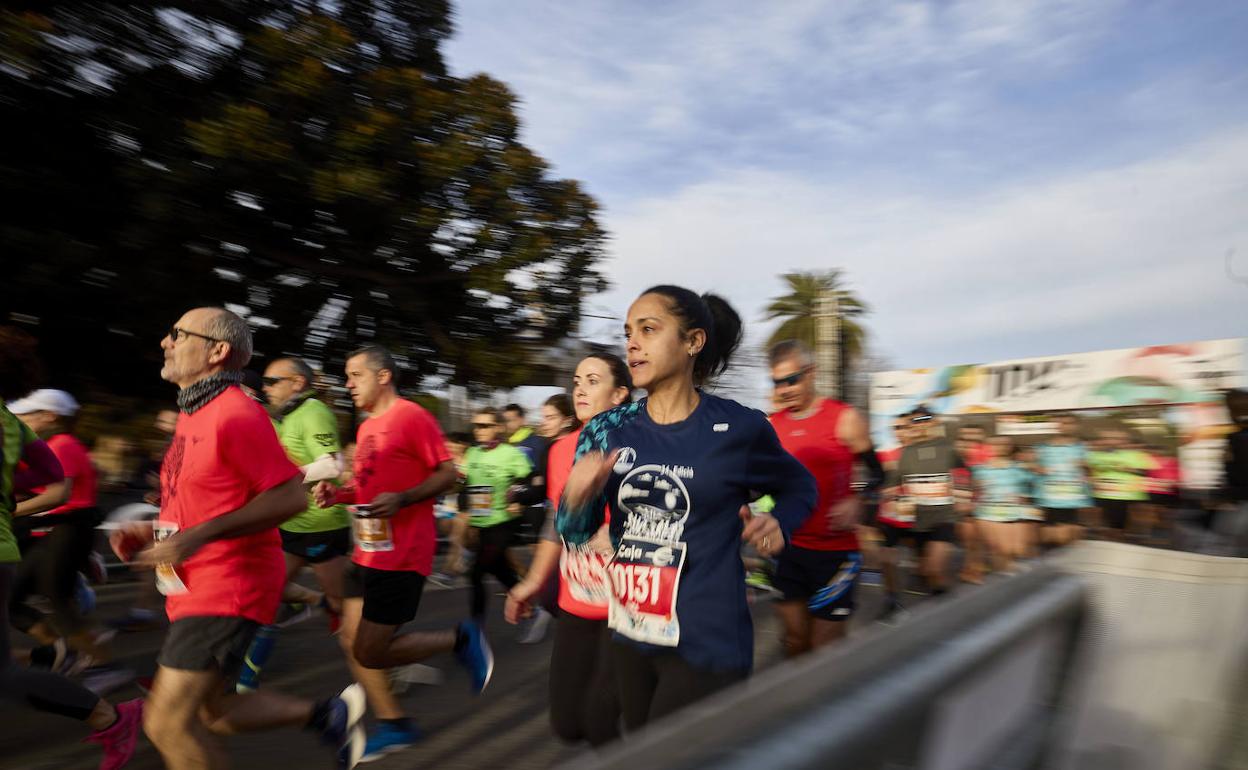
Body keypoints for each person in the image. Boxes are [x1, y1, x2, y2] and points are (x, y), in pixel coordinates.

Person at [109, 308, 367, 769]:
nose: (165, 343)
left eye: (176, 333)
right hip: (189, 584)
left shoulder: (236, 413)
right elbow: (208, 497)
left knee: (166, 723)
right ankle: (327, 714)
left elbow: (290, 498)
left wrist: (197, 537)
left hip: (226, 584)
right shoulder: (194, 413)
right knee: (216, 712)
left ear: (217, 351)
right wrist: (153, 530)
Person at [559, 285, 817, 730]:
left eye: (649, 329)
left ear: (693, 341)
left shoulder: (739, 427)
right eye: (628, 332)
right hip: (632, 633)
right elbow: (576, 534)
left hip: (707, 639)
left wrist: (781, 520)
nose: (632, 343)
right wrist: (576, 499)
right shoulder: (606, 430)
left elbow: (800, 486)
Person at [312, 345, 493, 762]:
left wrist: (405, 498)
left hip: (403, 555)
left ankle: (460, 639)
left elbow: (449, 473)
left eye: (355, 375)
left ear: (383, 377)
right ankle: (394, 724)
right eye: (346, 375)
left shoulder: (411, 416)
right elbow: (370, 489)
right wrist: (338, 494)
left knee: (370, 651)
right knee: (349, 639)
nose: (348, 383)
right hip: (367, 551)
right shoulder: (366, 428)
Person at [0, 326, 142, 770]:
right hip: (12, 545)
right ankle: (63, 665)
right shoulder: (12, 425)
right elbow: (53, 484)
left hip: (47, 536)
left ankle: (108, 714)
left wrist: (13, 507)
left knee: (3, 673)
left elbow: (59, 490)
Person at [505, 353, 632, 746]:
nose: (579, 387)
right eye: (577, 380)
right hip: (577, 599)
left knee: (599, 718)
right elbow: (554, 526)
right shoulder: (562, 450)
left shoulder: (640, 445)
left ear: (619, 394)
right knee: (567, 723)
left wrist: (617, 532)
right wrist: (530, 582)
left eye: (593, 380)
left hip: (628, 604)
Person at [235, 357, 350, 693]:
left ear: (297, 382)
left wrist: (285, 477)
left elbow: (332, 465)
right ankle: (245, 680)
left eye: (272, 381)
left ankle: (383, 660)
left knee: (343, 603)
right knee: (266, 594)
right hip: (290, 524)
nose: (265, 388)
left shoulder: (313, 411)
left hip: (321, 523)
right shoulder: (283, 417)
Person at [9, 389, 130, 693]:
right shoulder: (46, 446)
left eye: (27, 415)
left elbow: (58, 494)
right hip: (49, 529)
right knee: (12, 601)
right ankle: (65, 651)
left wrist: (12, 510)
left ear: (50, 416)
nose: (20, 420)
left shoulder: (63, 445)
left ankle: (107, 667)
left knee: (57, 600)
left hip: (69, 530)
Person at [765, 340, 882, 655]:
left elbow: (877, 473)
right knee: (795, 641)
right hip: (787, 550)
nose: (785, 389)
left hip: (834, 553)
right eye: (777, 382)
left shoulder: (844, 418)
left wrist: (859, 499)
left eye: (793, 379)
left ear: (811, 373)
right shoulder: (771, 427)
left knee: (824, 649)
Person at [884, 406, 969, 598]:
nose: (921, 424)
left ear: (934, 421)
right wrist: (888, 495)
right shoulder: (907, 453)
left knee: (934, 569)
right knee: (927, 574)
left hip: (944, 518)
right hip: (918, 520)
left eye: (925, 419)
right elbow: (894, 483)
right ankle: (942, 598)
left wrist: (963, 503)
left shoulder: (948, 449)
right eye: (915, 421)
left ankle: (952, 607)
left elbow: (963, 475)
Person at [462, 407, 532, 620]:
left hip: (503, 523)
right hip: (480, 522)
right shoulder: (472, 452)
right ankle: (525, 601)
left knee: (476, 573)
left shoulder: (511, 453)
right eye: (476, 426)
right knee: (499, 568)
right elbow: (464, 483)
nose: (479, 430)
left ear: (499, 428)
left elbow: (530, 479)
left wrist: (517, 499)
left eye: (484, 426)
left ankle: (475, 627)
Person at [875, 413, 915, 620]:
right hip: (891, 516)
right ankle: (891, 599)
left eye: (903, 427)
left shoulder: (922, 453)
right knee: (887, 559)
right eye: (896, 428)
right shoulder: (886, 455)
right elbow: (873, 479)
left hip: (920, 517)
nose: (899, 432)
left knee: (929, 565)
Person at [971, 435, 1031, 574]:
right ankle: (1002, 576)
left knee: (1018, 549)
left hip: (1014, 513)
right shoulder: (979, 470)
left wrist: (1025, 497)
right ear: (988, 447)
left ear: (1010, 447)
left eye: (1004, 444)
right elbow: (970, 490)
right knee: (1002, 549)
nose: (1001, 447)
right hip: (988, 513)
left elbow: (1030, 487)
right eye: (996, 444)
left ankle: (1003, 570)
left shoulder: (1019, 468)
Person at [1035, 414, 1092, 550]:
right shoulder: (1043, 447)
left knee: (1069, 533)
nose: (1065, 426)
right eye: (1061, 423)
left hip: (1071, 496)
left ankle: (1067, 560)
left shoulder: (1082, 447)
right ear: (1056, 426)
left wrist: (1086, 466)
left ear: (1076, 426)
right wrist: (1038, 468)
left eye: (1069, 423)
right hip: (1049, 496)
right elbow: (1032, 467)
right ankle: (1048, 561)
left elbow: (1090, 472)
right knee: (1049, 533)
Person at [1087, 428, 1156, 541]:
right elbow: (1088, 470)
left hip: (1127, 495)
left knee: (1121, 525)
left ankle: (1124, 541)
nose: (1111, 441)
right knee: (1105, 524)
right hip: (1102, 493)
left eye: (1116, 439)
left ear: (1124, 440)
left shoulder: (1137, 455)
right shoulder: (1094, 455)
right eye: (1107, 438)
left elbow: (1147, 472)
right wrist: (1090, 478)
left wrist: (1129, 469)